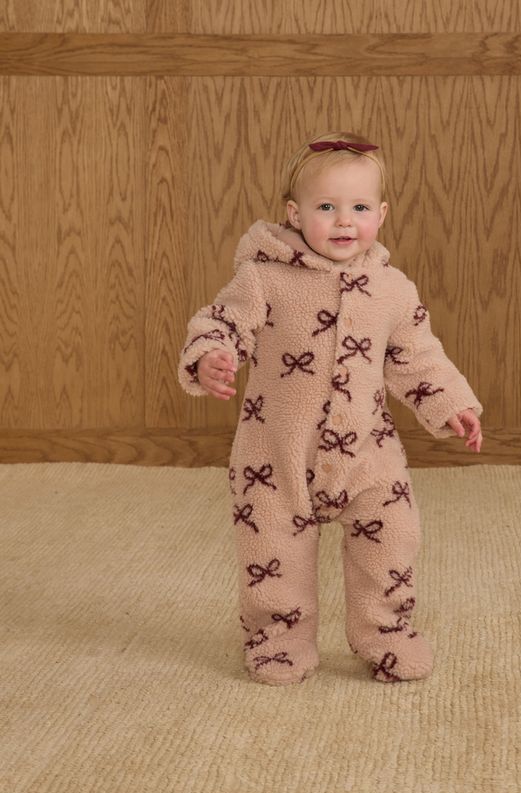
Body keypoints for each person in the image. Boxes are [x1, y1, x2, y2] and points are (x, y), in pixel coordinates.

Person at [177, 131, 483, 685]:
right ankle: (279, 639)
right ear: (295, 214)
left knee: (392, 540)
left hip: (369, 450)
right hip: (276, 452)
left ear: (381, 214)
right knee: (272, 548)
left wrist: (452, 405)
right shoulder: (264, 278)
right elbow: (222, 322)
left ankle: (385, 631)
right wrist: (211, 357)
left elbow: (416, 357)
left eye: (360, 208)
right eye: (326, 208)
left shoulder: (392, 289)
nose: (344, 221)